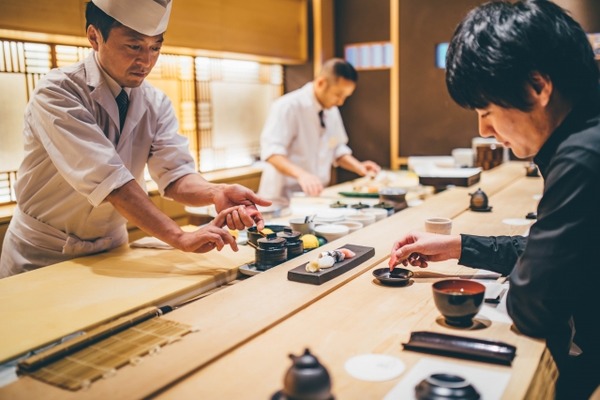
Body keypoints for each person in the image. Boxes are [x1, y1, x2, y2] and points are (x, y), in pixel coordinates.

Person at [389, 1, 600, 398]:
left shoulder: (582, 158)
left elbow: (534, 306)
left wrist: (526, 277)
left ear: (538, 87)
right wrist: (460, 246)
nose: (484, 129)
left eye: (486, 110)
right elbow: (560, 255)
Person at [0, 0, 271, 278]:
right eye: (134, 46)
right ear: (94, 37)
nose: (146, 61)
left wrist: (216, 192)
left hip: (113, 248)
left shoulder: (155, 101)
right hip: (43, 253)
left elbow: (175, 174)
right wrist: (178, 236)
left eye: (155, 47)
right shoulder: (58, 92)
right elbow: (111, 182)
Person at [258, 58, 381, 203]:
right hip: (282, 198)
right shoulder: (288, 106)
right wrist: (302, 175)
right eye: (338, 95)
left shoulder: (331, 110)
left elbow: (336, 148)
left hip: (315, 196)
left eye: (345, 97)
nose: (340, 102)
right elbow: (272, 152)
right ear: (321, 83)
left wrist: (359, 167)